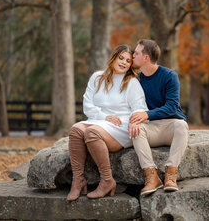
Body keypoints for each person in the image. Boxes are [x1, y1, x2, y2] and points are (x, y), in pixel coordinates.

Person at [67, 45, 148, 201]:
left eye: (128, 61)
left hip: (121, 125)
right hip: (99, 120)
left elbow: (139, 109)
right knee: (75, 129)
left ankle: (107, 180)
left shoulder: (131, 82)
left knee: (91, 132)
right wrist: (104, 116)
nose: (124, 62)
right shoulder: (97, 77)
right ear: (114, 57)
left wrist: (134, 122)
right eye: (121, 58)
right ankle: (78, 181)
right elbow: (87, 105)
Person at [129, 39, 189, 196]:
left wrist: (146, 114)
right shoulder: (136, 79)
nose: (132, 55)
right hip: (151, 128)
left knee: (181, 126)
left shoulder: (169, 75)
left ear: (146, 57)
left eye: (136, 53)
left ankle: (170, 174)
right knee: (136, 130)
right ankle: (151, 176)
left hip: (170, 126)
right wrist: (135, 120)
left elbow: (172, 106)